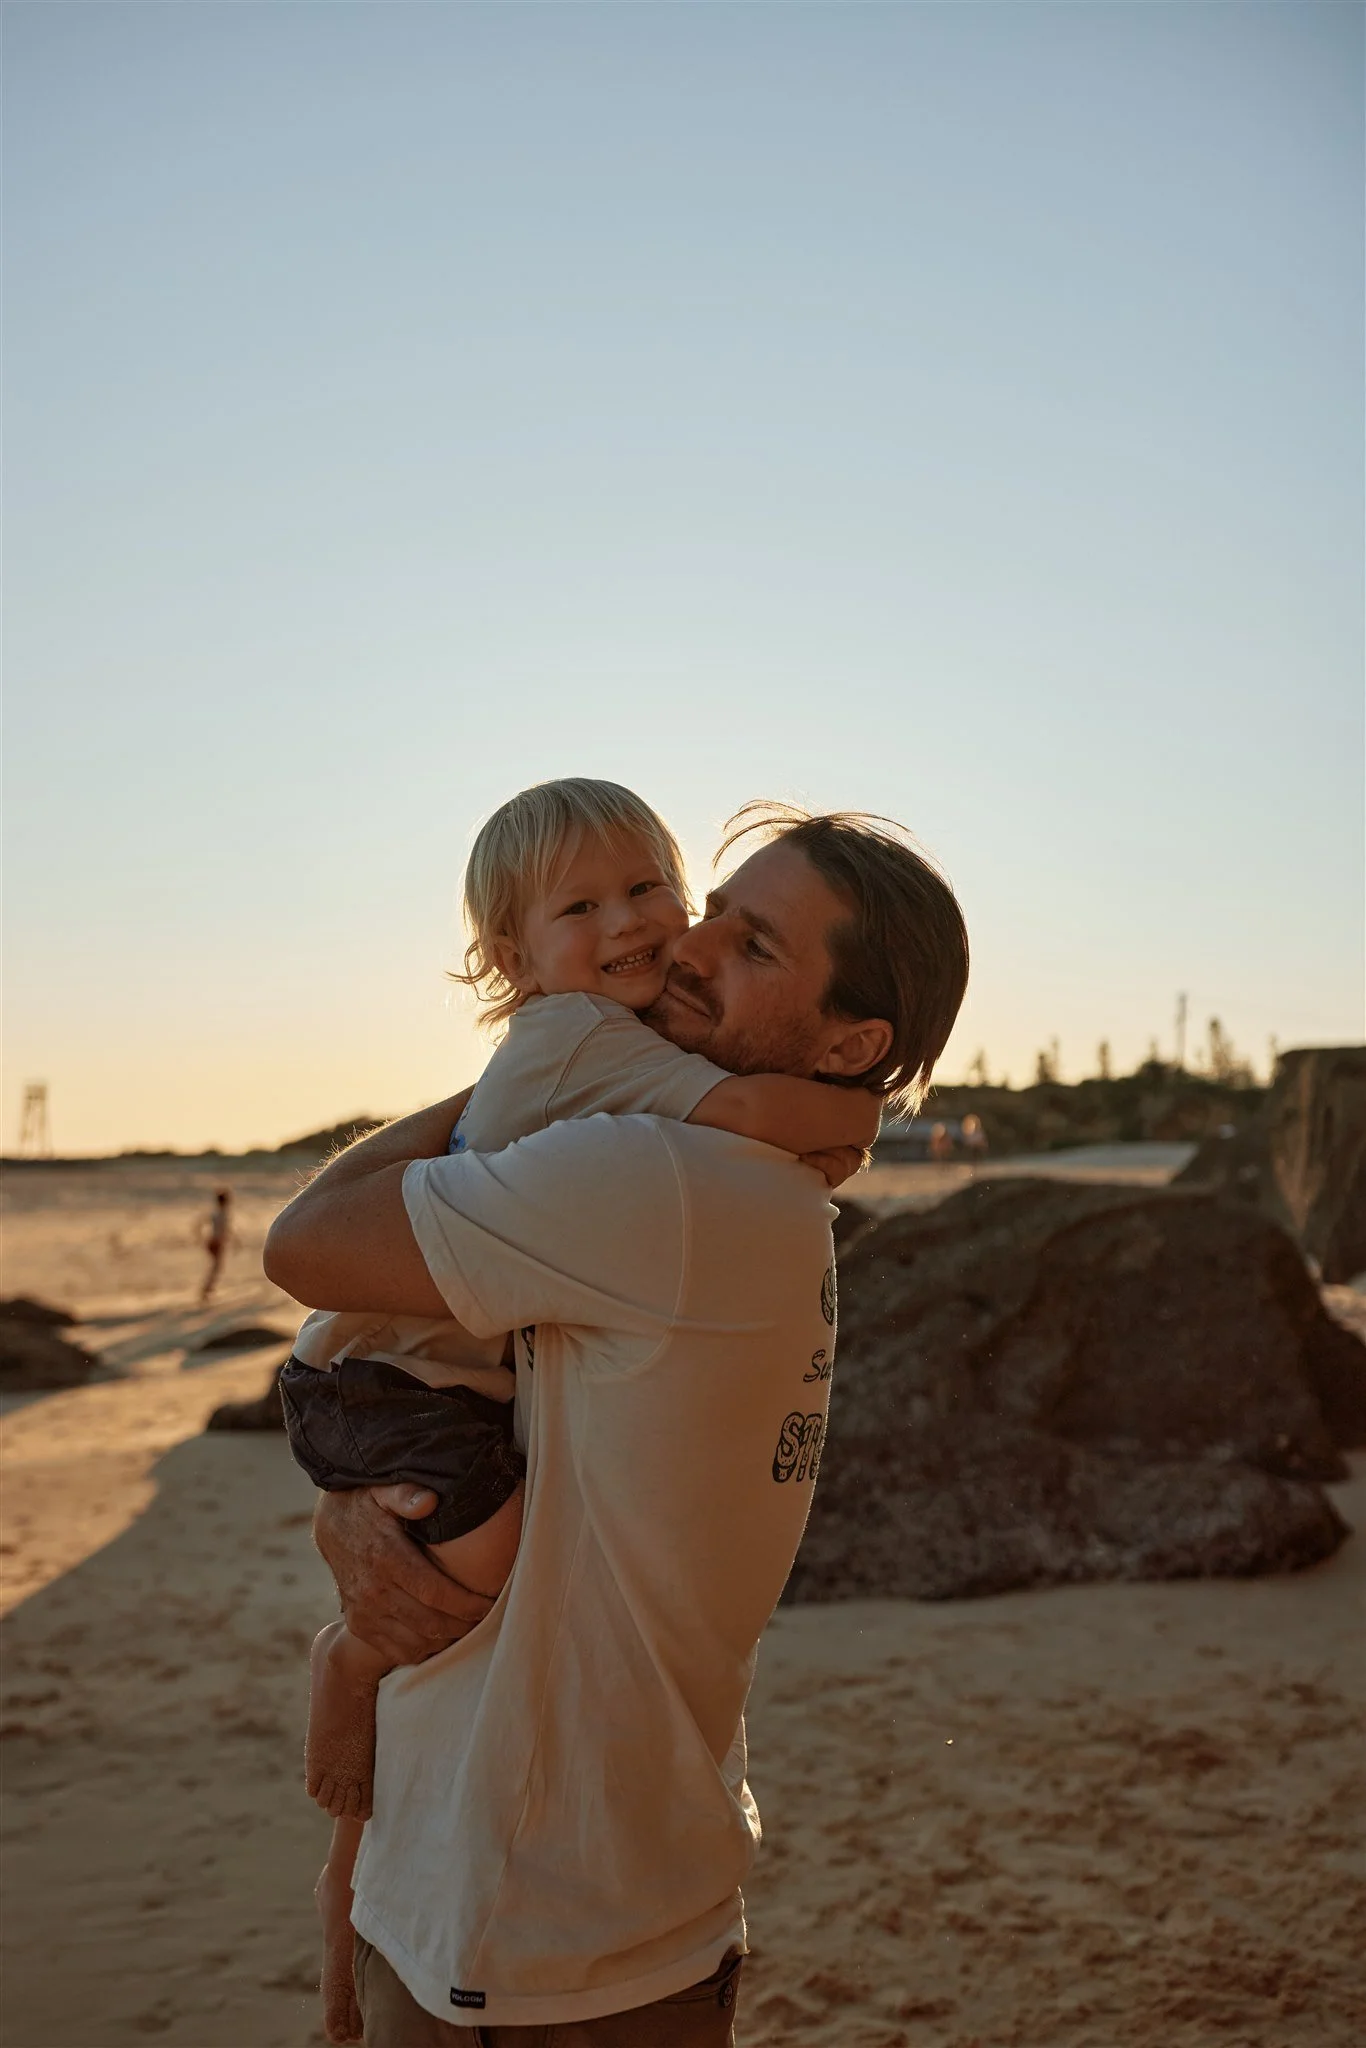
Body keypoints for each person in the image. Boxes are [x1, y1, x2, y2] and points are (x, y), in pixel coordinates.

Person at [264, 798, 969, 2047]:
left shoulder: (668, 1179)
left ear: (853, 1039)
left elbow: (307, 1243)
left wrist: (549, 1044)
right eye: (716, 912)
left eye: (753, 945)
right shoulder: (752, 1186)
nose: (686, 946)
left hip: (534, 1934)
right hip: (558, 1888)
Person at [199, 1187, 232, 1303]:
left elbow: (200, 1223)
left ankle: (208, 1289)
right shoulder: (222, 1214)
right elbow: (225, 1230)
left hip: (214, 1241)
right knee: (216, 1267)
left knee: (216, 1267)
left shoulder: (216, 1213)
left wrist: (200, 1236)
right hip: (217, 1243)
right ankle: (206, 1290)